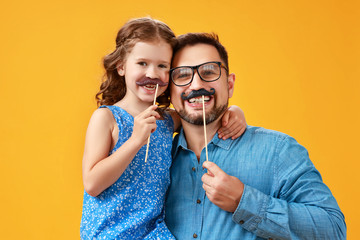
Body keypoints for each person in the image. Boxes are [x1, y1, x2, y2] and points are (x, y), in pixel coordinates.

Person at [165, 32, 346, 239]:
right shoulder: (155, 158)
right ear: (169, 90)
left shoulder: (278, 150)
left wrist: (243, 201)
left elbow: (333, 229)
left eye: (209, 72)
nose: (196, 85)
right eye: (182, 75)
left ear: (229, 84)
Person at [80, 18, 247, 239]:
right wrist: (135, 140)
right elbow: (92, 184)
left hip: (153, 234)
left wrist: (233, 110)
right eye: (142, 63)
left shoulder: (166, 121)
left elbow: (198, 112)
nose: (153, 73)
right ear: (121, 66)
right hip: (110, 233)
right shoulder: (107, 118)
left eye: (163, 66)